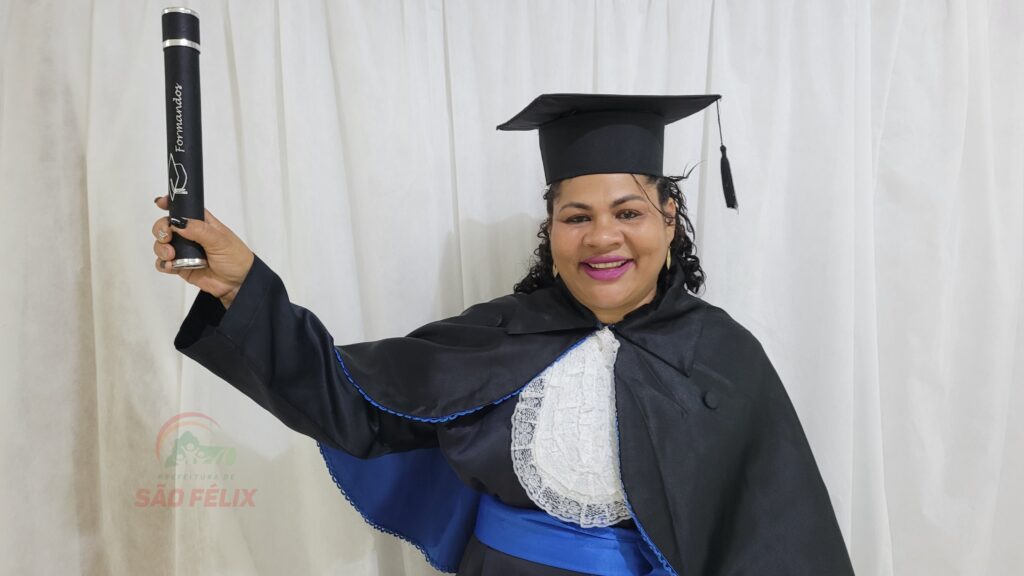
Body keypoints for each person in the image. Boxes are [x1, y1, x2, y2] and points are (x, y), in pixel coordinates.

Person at [152, 94, 855, 575]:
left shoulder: (724, 356)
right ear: (552, 229)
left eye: (628, 212)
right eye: (576, 217)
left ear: (669, 218)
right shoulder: (498, 334)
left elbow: (781, 539)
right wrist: (242, 288)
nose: (602, 237)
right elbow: (350, 404)